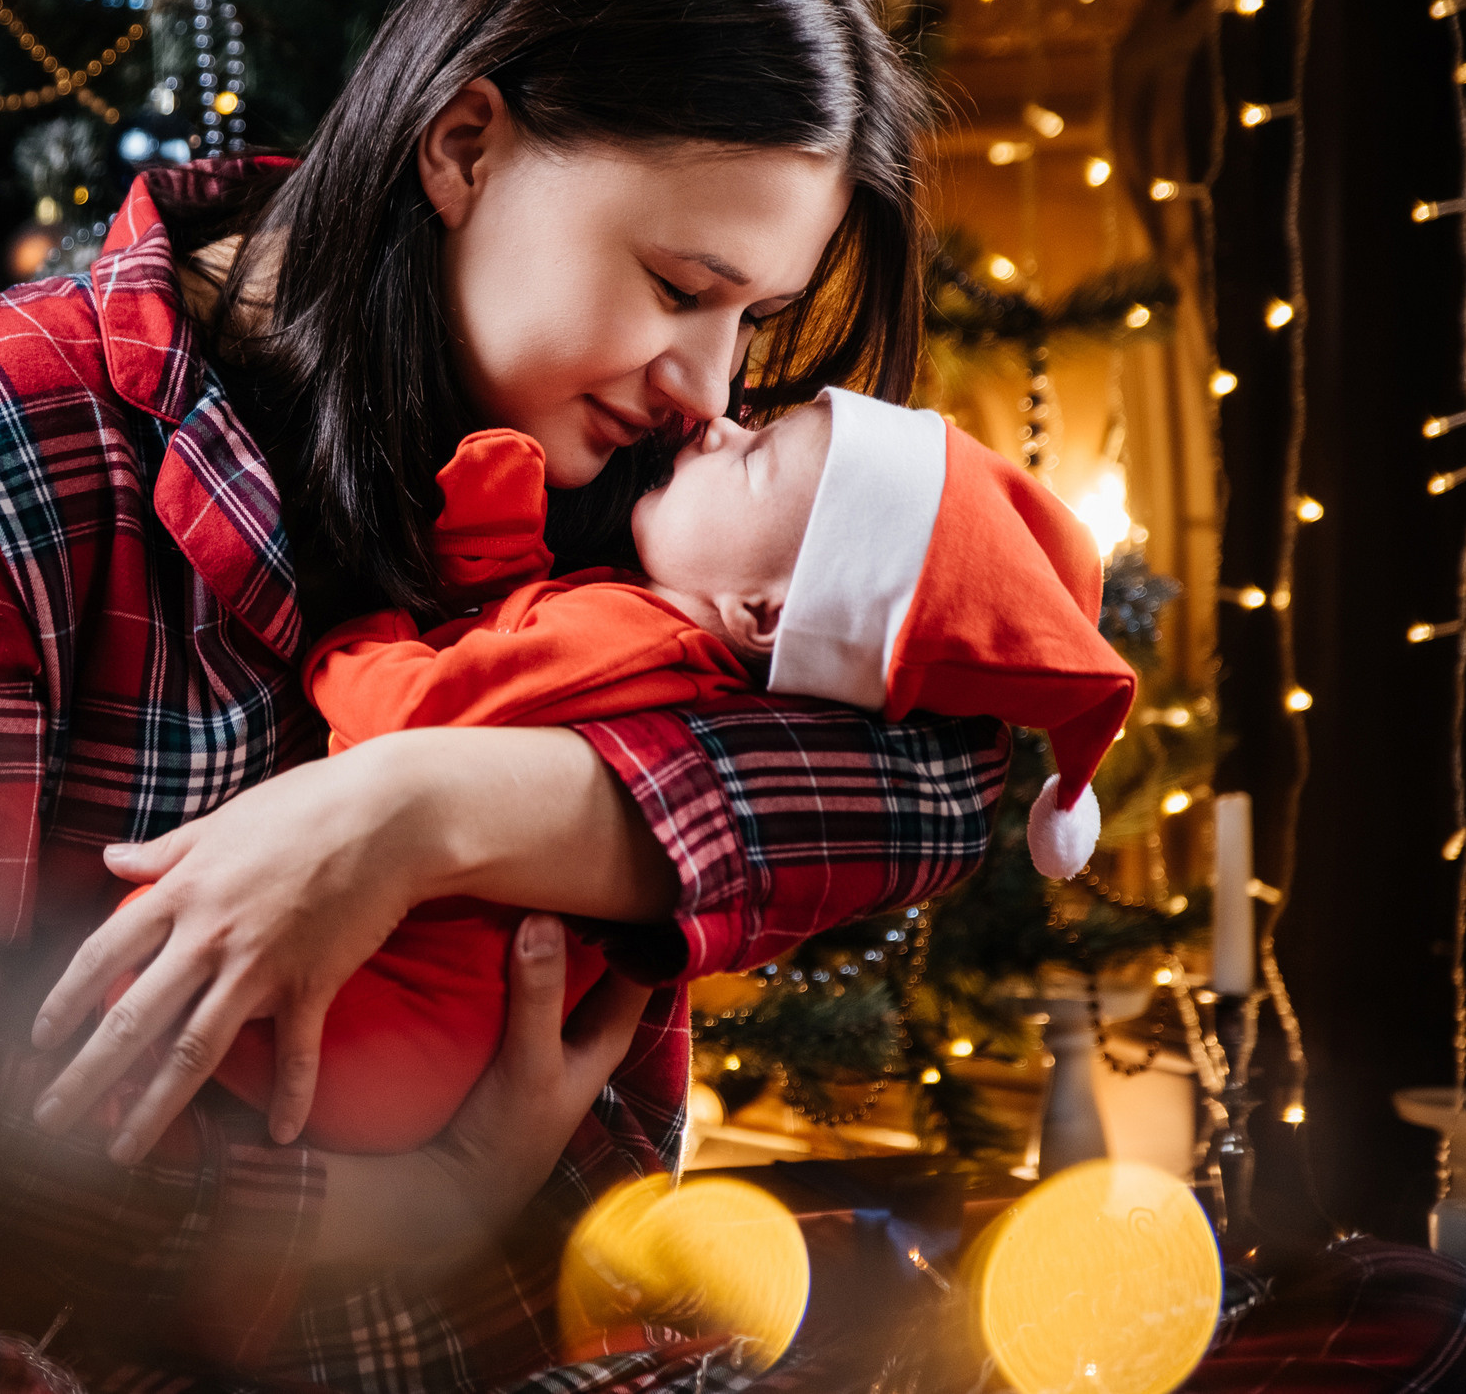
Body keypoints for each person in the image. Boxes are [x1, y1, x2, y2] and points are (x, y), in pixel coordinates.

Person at [0, 0, 1011, 1394]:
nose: (707, 384)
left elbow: (958, 761)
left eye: (750, 321)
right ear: (466, 144)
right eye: (681, 285)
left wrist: (425, 810)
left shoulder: (647, 490)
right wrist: (389, 1210)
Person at [167, 392, 1134, 1156]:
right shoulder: (676, 654)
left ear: (764, 612)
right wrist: (497, 547)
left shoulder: (633, 638)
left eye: (753, 458)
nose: (716, 423)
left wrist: (358, 631)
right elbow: (520, 654)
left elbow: (419, 716)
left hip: (370, 1024)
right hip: (411, 1062)